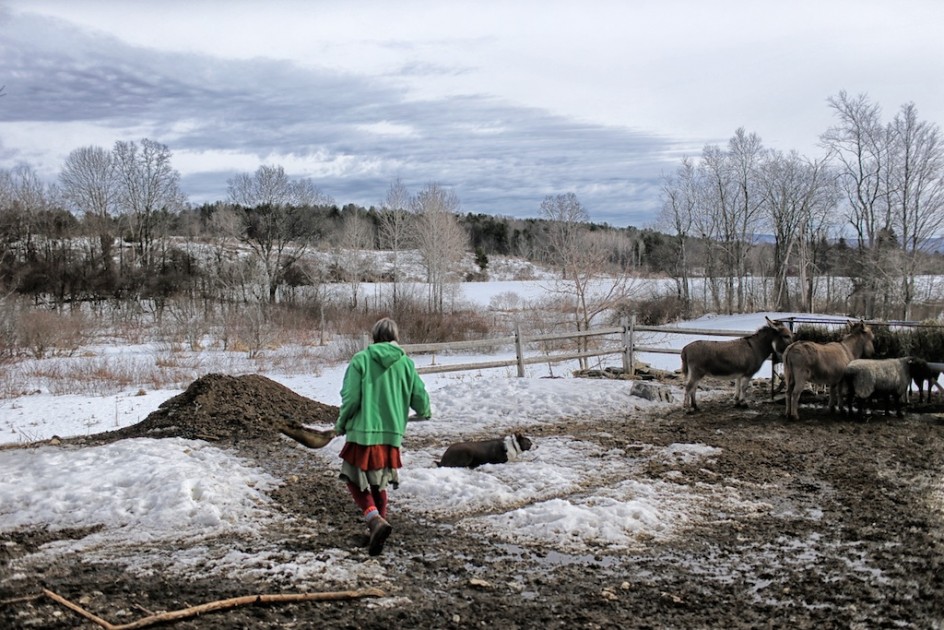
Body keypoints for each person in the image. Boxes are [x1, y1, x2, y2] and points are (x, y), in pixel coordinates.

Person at [334, 317, 431, 556]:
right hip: (391, 435)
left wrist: (341, 423)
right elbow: (420, 396)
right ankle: (379, 527)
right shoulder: (406, 363)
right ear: (396, 338)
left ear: (374, 337)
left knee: (355, 480)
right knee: (379, 482)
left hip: (363, 433)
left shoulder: (361, 360)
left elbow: (351, 398)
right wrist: (425, 412)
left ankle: (374, 519)